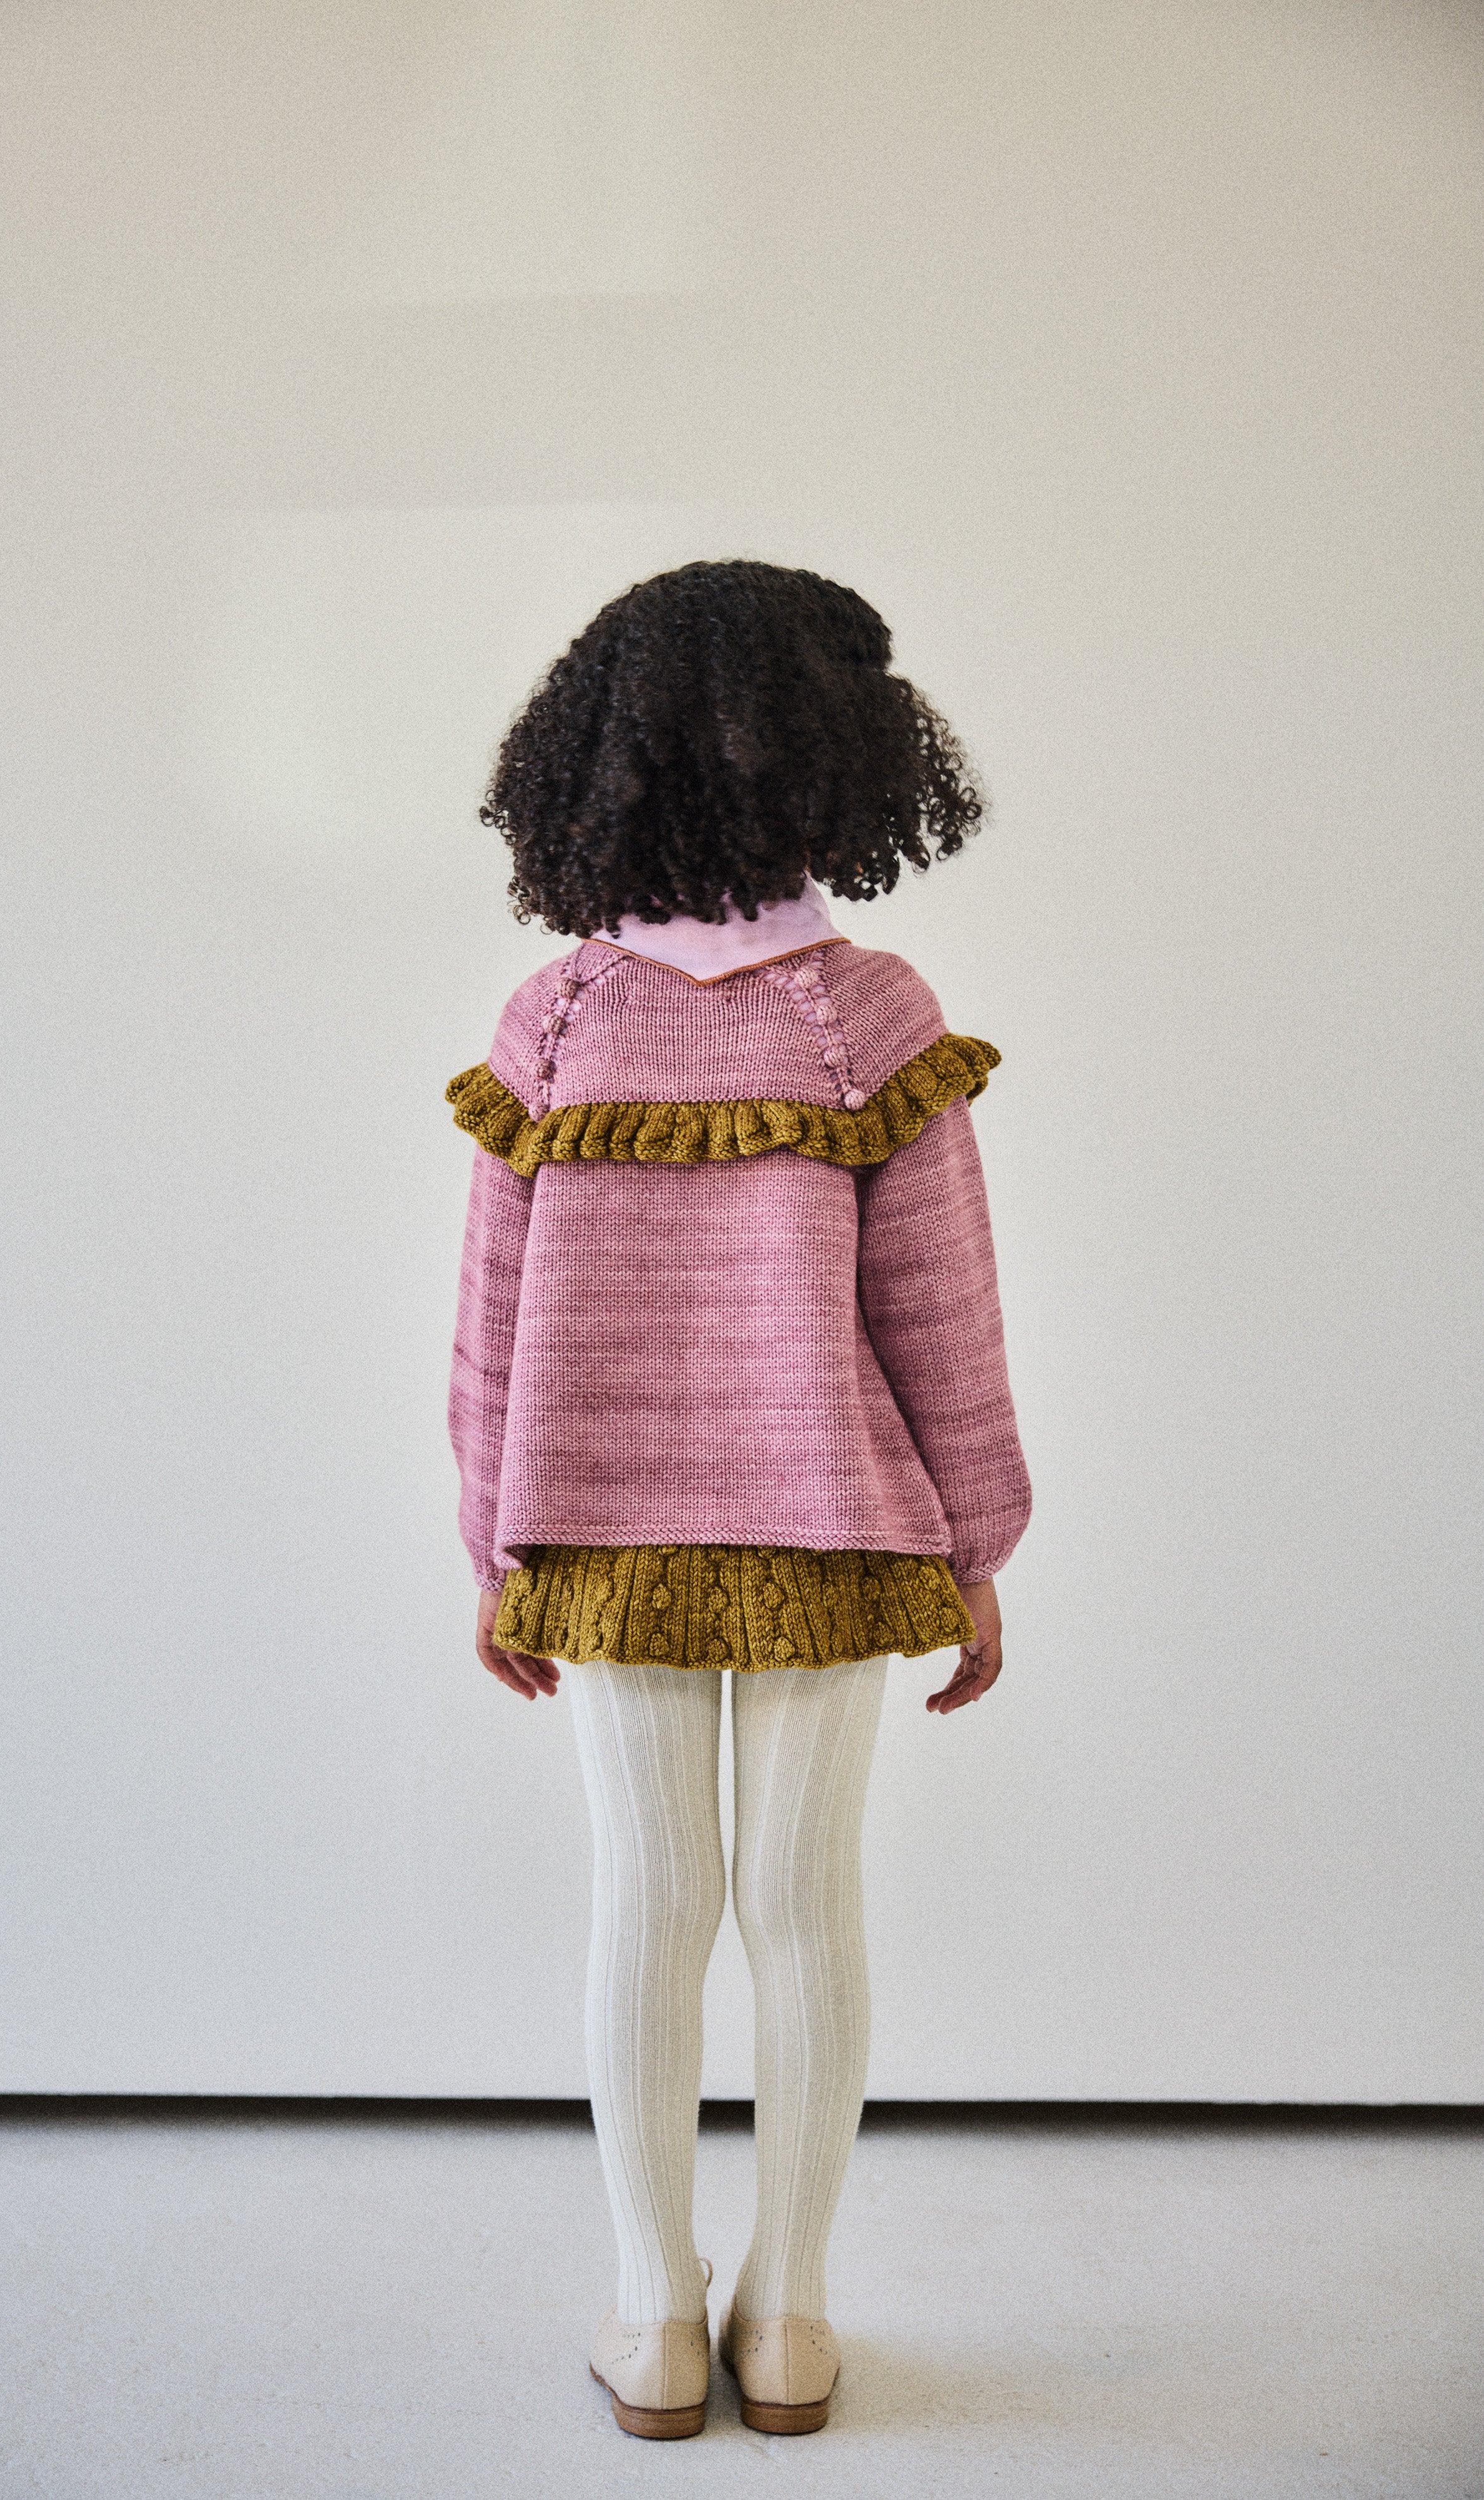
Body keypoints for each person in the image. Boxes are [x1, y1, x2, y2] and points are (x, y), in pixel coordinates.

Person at [445, 558, 1030, 2439]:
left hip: (598, 1532)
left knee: (649, 1898)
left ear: (589, 763)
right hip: (833, 1529)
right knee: (802, 1903)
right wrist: (976, 1545)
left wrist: (495, 1543)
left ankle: (653, 2320)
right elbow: (943, 1311)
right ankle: (787, 2317)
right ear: (845, 757)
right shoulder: (867, 1014)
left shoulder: (556, 1019)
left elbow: (490, 1323)